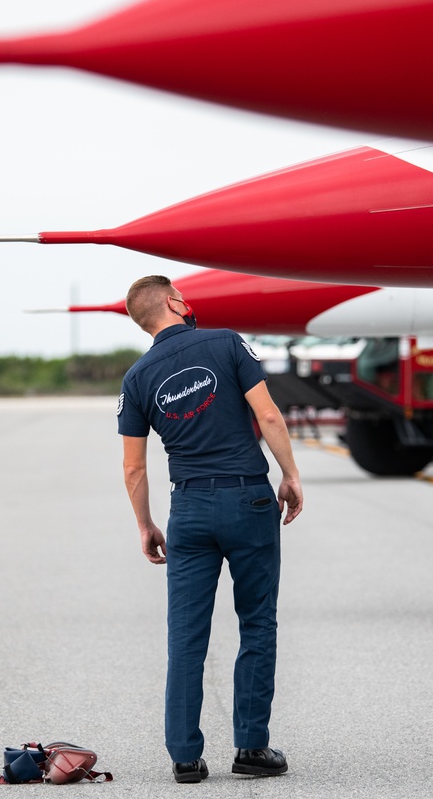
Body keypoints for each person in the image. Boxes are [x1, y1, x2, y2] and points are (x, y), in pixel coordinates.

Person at [116, 275, 303, 784]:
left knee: (186, 635)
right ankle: (251, 748)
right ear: (176, 302)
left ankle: (184, 757)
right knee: (257, 623)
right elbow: (267, 414)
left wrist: (145, 524)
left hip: (190, 510)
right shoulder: (226, 342)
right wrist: (289, 473)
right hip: (248, 497)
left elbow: (134, 468)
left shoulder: (136, 379)